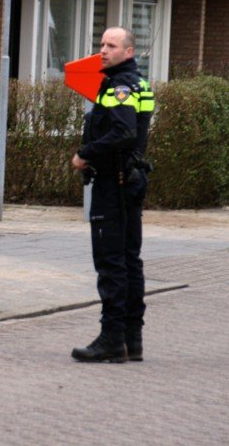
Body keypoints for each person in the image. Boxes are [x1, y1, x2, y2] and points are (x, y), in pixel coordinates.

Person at [70, 26, 154, 362]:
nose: (103, 50)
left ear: (128, 52)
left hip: (114, 182)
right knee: (130, 260)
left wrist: (85, 153)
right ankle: (132, 340)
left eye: (112, 46)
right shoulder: (138, 83)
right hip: (130, 181)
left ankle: (112, 339)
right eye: (102, 44)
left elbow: (123, 132)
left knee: (111, 262)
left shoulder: (119, 86)